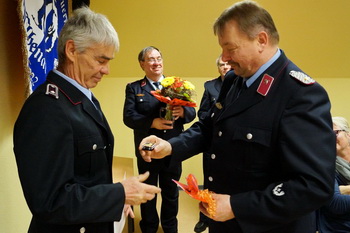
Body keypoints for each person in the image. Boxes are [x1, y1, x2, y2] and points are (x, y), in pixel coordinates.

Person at [139, 1, 336, 233]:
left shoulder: (301, 93)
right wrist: (170, 146)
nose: (224, 57)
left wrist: (236, 206)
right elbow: (209, 127)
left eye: (230, 49)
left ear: (261, 40)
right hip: (224, 222)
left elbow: (313, 185)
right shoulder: (235, 80)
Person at [13, 7, 160, 233]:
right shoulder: (46, 109)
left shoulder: (82, 97)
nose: (107, 70)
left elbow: (85, 177)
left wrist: (114, 200)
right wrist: (119, 193)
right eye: (101, 60)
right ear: (72, 50)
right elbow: (50, 202)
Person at [123, 46, 196, 233]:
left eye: (158, 58)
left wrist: (183, 112)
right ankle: (149, 227)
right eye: (151, 59)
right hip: (147, 150)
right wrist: (152, 122)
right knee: (148, 193)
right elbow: (128, 117)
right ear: (142, 64)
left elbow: (192, 112)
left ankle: (170, 227)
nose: (156, 63)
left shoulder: (177, 86)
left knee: (171, 193)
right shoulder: (134, 88)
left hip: (173, 148)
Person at [194, 55, 231, 233]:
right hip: (212, 142)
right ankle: (205, 218)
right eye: (221, 65)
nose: (225, 67)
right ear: (218, 68)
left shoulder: (241, 85)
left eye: (227, 64)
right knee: (209, 180)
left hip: (231, 143)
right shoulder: (210, 86)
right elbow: (201, 114)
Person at [317, 116, 350, 232]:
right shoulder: (325, 166)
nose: (330, 137)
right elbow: (336, 203)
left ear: (348, 135)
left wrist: (345, 190)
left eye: (335, 132)